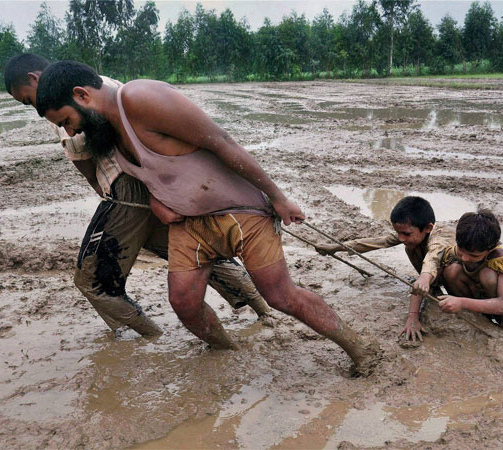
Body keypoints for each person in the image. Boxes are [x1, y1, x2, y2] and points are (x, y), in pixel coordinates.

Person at [35, 60, 372, 370]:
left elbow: (221, 142)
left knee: (281, 296)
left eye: (67, 121)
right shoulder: (105, 135)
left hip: (238, 212)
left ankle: (361, 351)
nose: (72, 131)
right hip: (189, 225)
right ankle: (230, 357)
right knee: (183, 302)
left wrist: (277, 197)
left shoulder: (139, 98)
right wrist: (156, 204)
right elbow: (151, 175)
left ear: (82, 95)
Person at [4, 54, 271, 338]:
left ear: (35, 78)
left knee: (92, 280)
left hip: (125, 189)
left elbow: (87, 164)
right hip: (148, 184)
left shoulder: (64, 102)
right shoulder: (102, 85)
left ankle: (149, 338)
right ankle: (264, 311)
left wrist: (111, 198)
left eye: (27, 100)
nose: (34, 108)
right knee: (194, 250)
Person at [315, 196, 455, 342]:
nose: (401, 238)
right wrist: (336, 247)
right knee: (410, 248)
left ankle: (445, 292)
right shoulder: (411, 232)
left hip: (458, 277)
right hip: (432, 272)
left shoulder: (439, 240)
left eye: (406, 234)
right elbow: (378, 242)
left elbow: (432, 259)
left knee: (450, 269)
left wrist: (423, 280)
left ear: (428, 228)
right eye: (398, 233)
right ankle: (431, 286)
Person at [438, 210, 503, 333]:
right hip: (481, 295)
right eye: (461, 251)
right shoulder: (460, 248)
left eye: (474, 255)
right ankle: (478, 319)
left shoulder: (500, 258)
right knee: (451, 270)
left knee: (487, 276)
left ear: (490, 249)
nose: (465, 258)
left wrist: (461, 302)